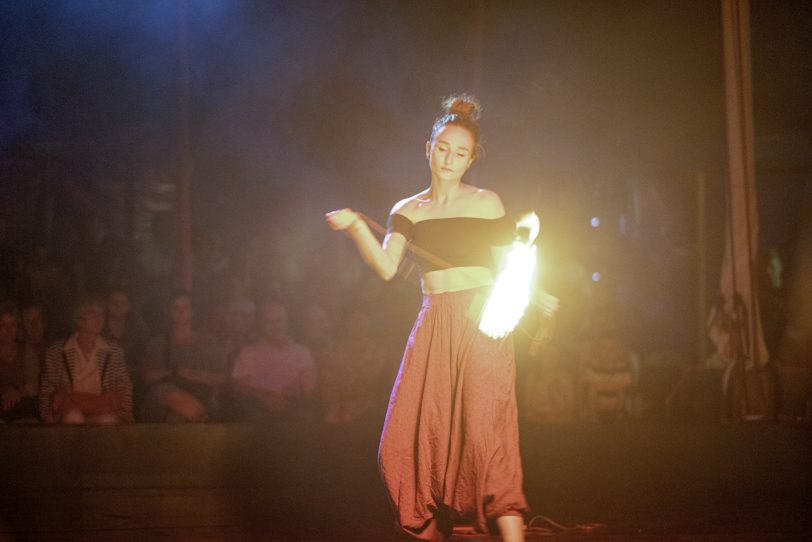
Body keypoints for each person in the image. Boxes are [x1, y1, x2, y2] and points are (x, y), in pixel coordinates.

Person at [326, 95, 558, 542]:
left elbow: (506, 268)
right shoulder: (407, 210)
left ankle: (511, 534)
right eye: (443, 148)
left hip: (480, 323)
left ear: (471, 159)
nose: (450, 158)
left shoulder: (488, 203)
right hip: (433, 324)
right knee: (406, 439)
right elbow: (388, 268)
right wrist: (356, 226)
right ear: (427, 147)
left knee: (487, 433)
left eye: (461, 152)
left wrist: (532, 296)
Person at [39, 295, 132, 424]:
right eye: (92, 314)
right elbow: (48, 388)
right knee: (73, 417)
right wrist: (49, 415)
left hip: (103, 410)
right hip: (70, 412)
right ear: (78, 319)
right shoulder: (57, 351)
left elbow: (123, 387)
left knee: (107, 420)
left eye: (101, 314)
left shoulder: (113, 351)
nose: (98, 318)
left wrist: (124, 414)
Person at [139, 291, 227, 423]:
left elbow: (222, 377)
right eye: (176, 308)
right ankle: (203, 419)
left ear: (192, 311)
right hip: (161, 404)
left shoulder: (209, 342)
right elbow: (148, 377)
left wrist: (198, 375)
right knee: (163, 390)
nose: (181, 313)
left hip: (199, 397)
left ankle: (200, 418)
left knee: (176, 420)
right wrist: (175, 371)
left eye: (186, 308)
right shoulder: (158, 343)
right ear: (170, 312)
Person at [230, 299, 317, 422]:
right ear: (261, 324)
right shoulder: (248, 351)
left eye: (279, 320)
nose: (275, 326)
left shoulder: (303, 352)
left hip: (293, 409)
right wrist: (264, 396)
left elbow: (310, 390)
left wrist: (297, 391)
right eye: (268, 321)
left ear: (287, 322)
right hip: (257, 410)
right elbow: (237, 387)